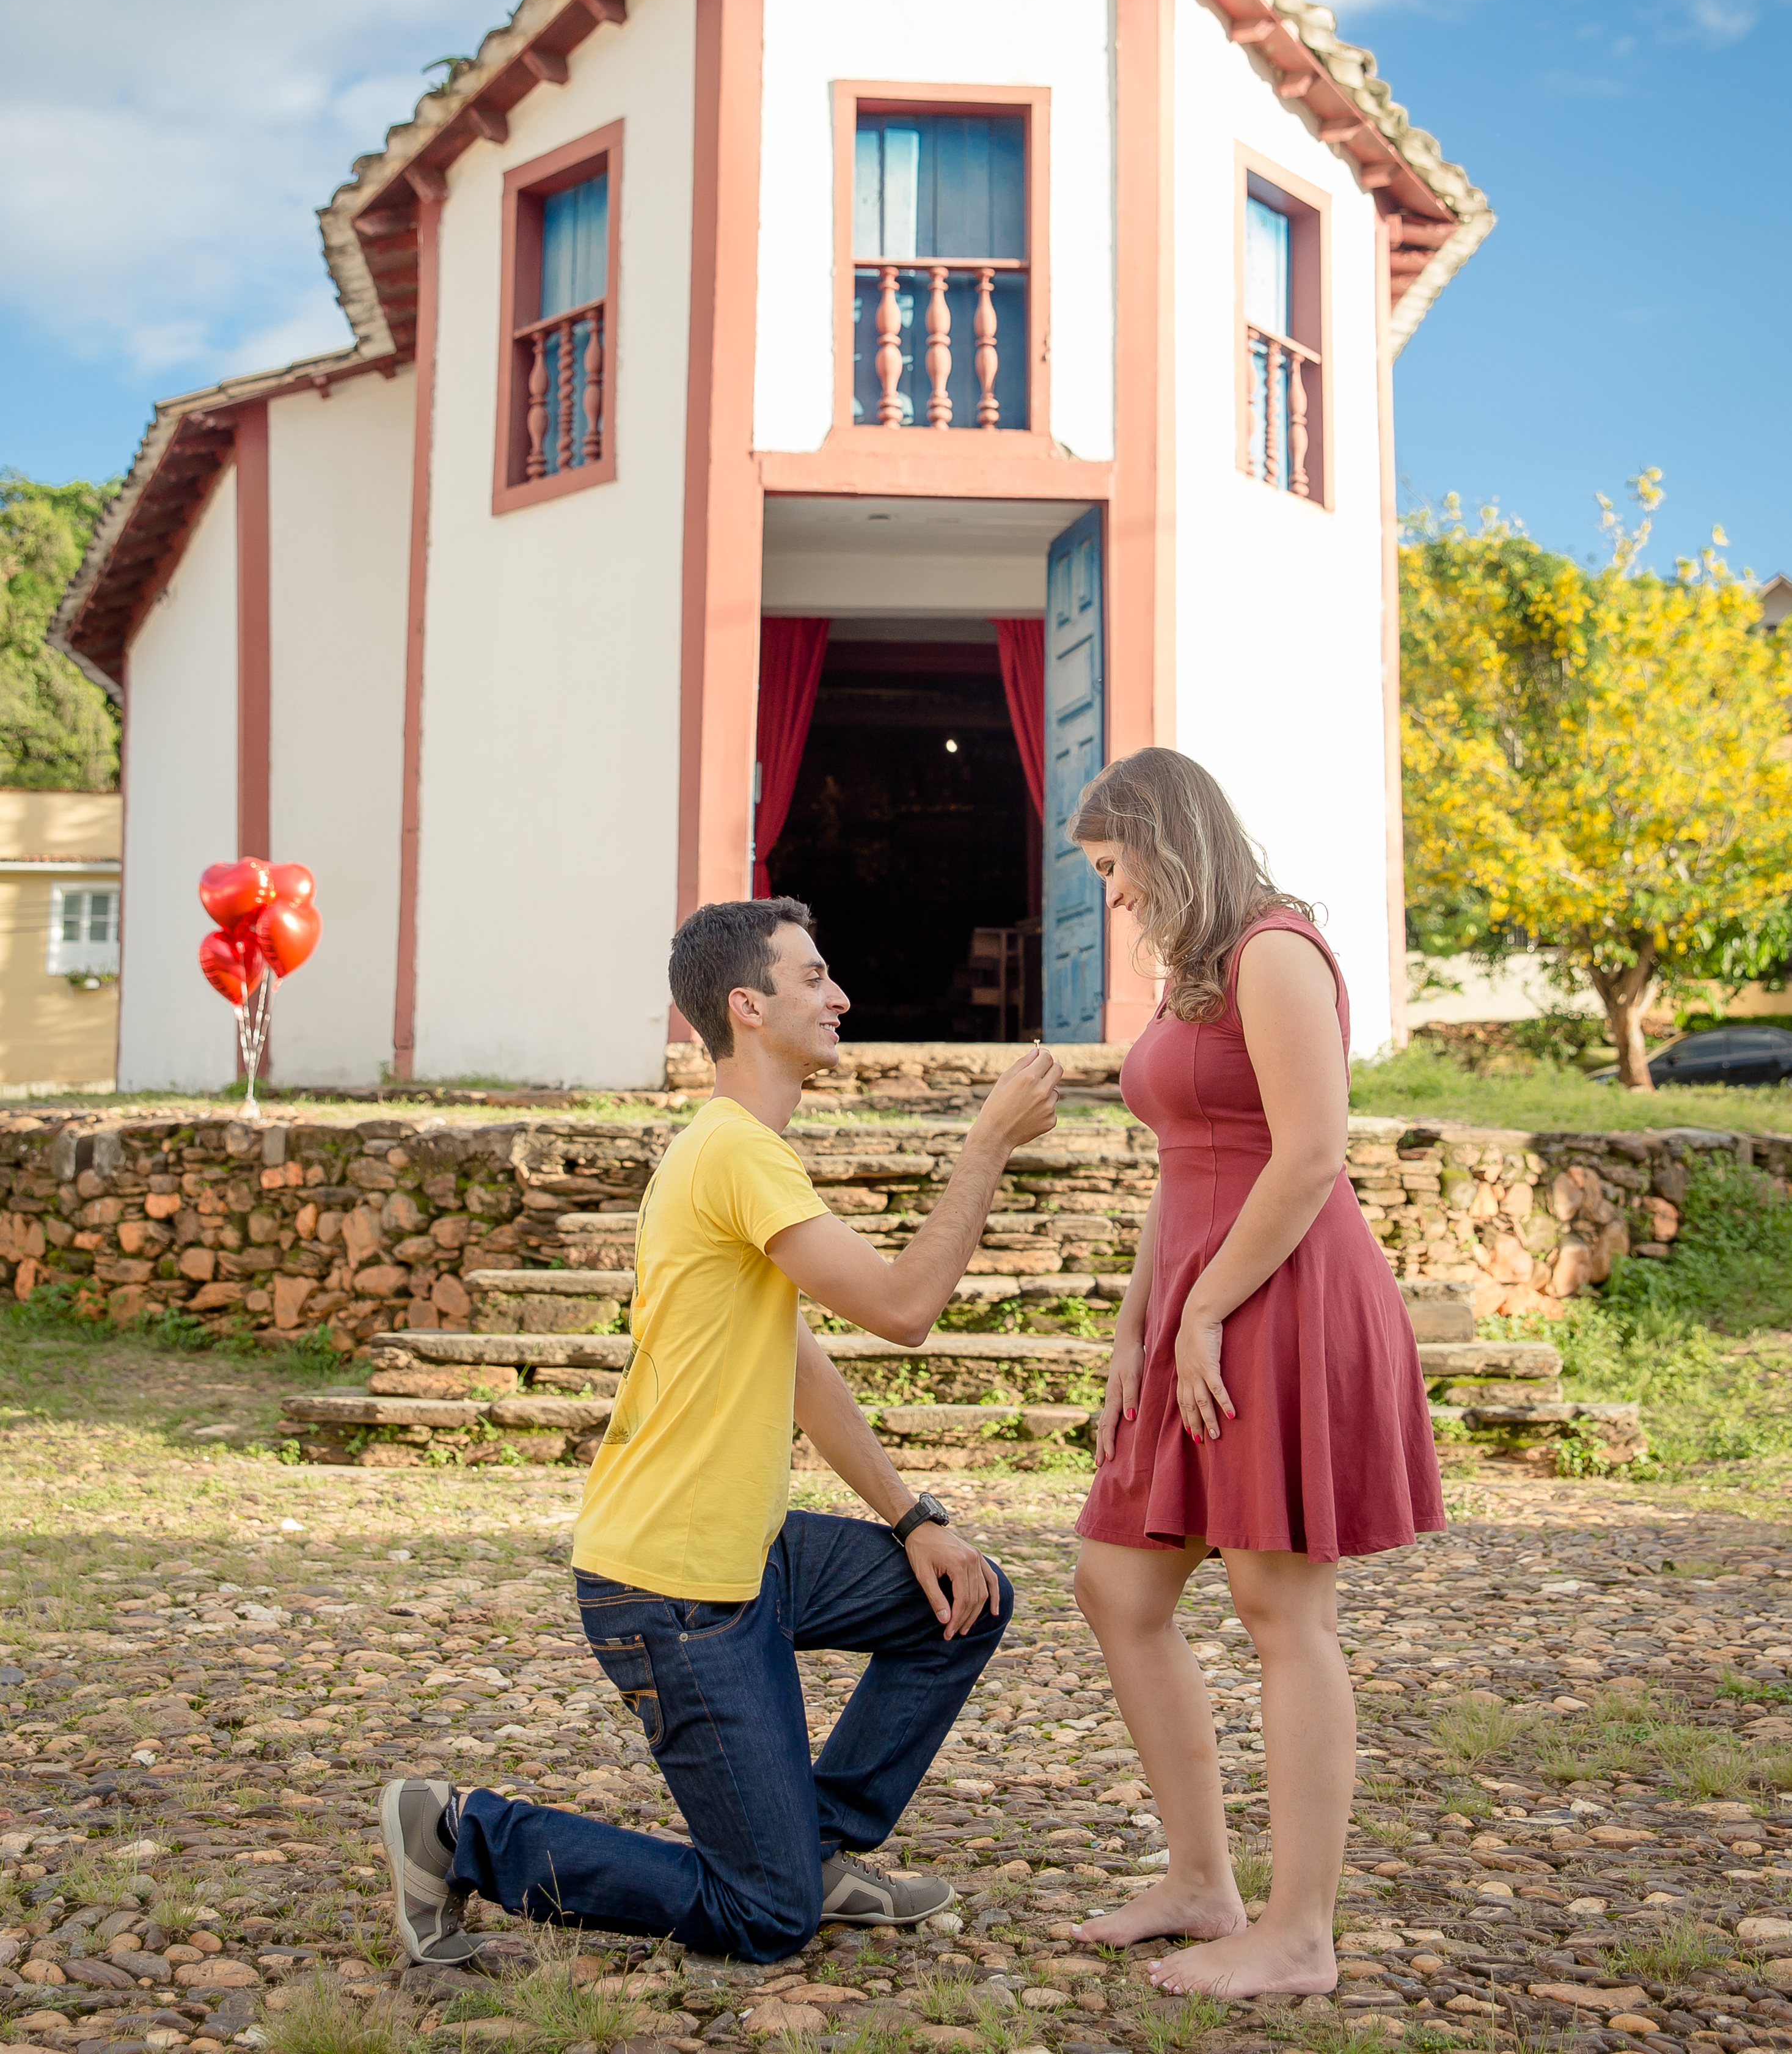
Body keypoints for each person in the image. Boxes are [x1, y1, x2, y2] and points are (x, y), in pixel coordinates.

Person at [381, 894, 1061, 1967]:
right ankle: (463, 1834)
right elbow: (902, 1311)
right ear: (747, 1007)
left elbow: (802, 1367)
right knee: (764, 1919)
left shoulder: (731, 1152)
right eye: (812, 978)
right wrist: (983, 1147)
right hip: (673, 1589)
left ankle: (818, 1843)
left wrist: (915, 1518)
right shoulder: (734, 1153)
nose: (838, 996)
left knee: (963, 1600)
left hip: (748, 1554)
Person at [1064, 749, 1443, 2001]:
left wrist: (1209, 1307)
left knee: (1285, 1613)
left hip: (1278, 1302)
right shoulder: (1192, 977)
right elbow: (1188, 1165)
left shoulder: (1274, 950)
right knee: (1118, 1581)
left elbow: (1313, 1153)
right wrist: (1140, 1318)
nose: (1114, 901)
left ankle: (1299, 1933)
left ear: (1172, 844)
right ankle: (1200, 1881)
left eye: (1118, 871)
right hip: (1198, 1307)